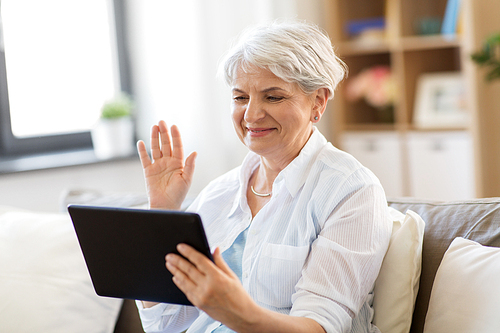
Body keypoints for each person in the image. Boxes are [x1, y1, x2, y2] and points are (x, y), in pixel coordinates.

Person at [135, 20, 392, 333]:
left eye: (273, 97)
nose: (251, 115)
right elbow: (164, 325)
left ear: (318, 102)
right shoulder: (220, 193)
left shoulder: (351, 190)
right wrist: (161, 214)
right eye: (241, 97)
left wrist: (236, 312)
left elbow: (319, 327)